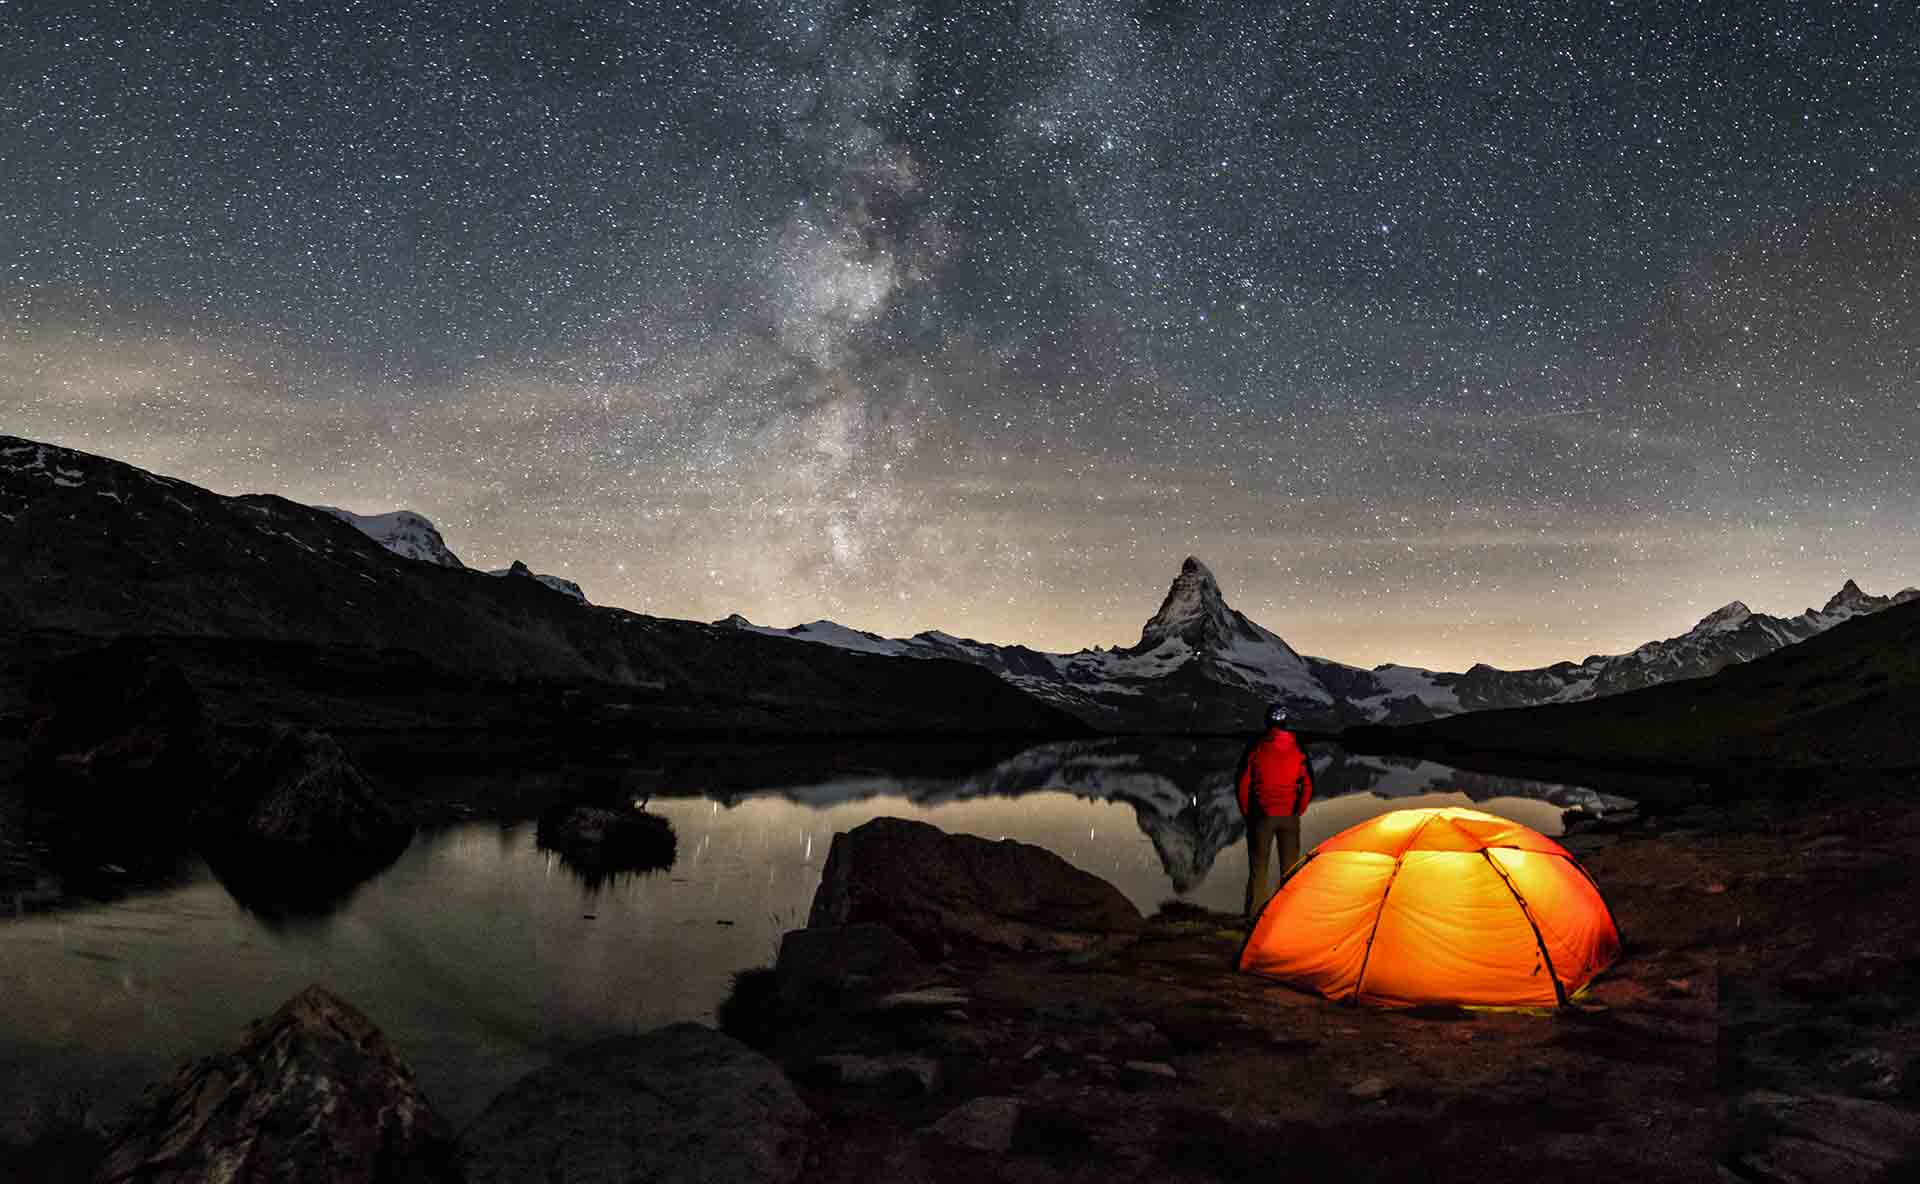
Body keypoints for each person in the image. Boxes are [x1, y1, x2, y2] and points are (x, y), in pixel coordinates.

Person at [1237, 703, 1315, 920]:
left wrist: (1247, 812)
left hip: (1261, 816)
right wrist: (1298, 809)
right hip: (1290, 816)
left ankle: (1254, 919)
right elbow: (1308, 784)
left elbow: (1242, 783)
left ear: (1267, 721)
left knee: (1258, 870)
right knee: (1290, 870)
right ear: (1285, 722)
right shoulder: (1298, 746)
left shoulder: (1256, 746)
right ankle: (1287, 919)